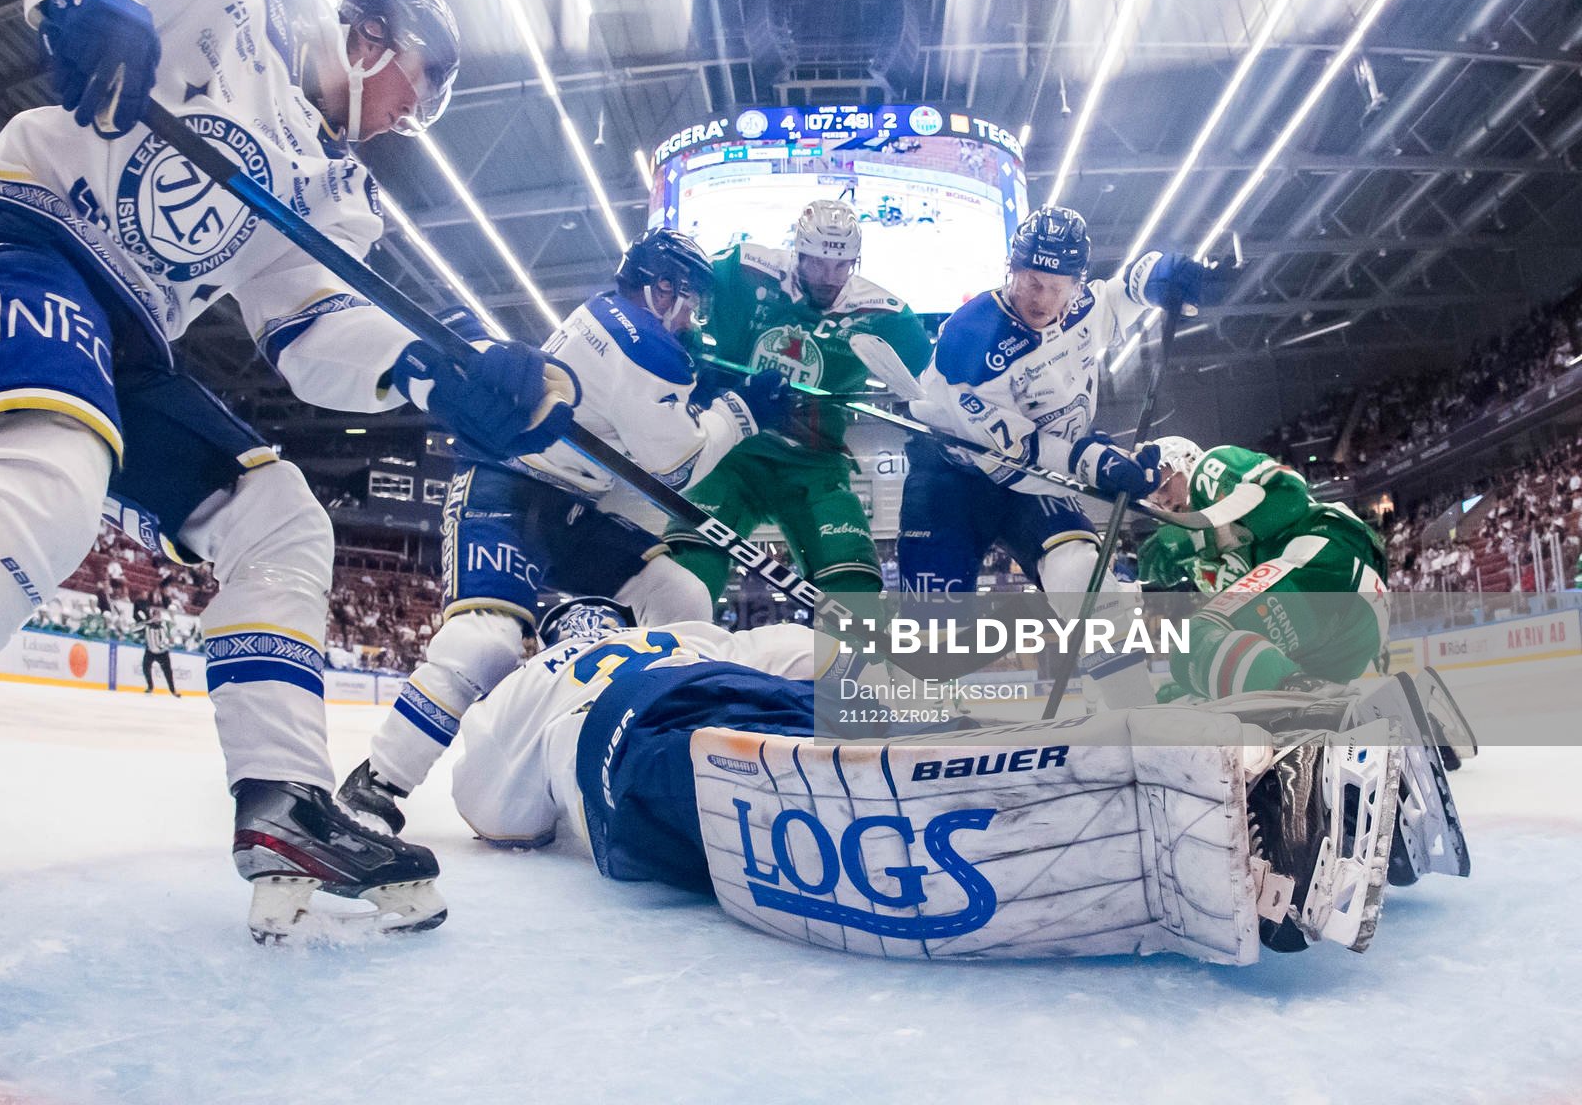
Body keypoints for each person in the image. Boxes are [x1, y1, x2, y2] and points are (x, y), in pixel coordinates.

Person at [0, 0, 573, 1009]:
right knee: (50, 478)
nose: (409, 117)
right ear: (372, 36)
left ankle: (285, 803)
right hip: (28, 237)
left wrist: (436, 371)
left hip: (135, 333)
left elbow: (316, 332)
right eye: (417, 87)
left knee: (283, 519)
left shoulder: (331, 191)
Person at [448, 598, 1458, 962]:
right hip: (743, 683)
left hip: (623, 744)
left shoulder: (546, 676)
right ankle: (1276, 738)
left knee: (781, 800)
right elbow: (813, 661)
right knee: (909, 745)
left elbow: (491, 804)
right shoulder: (692, 629)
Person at [336, 230, 792, 835]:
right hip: (504, 488)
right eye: (691, 300)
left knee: (679, 595)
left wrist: (702, 388)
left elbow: (629, 408)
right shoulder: (649, 347)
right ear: (662, 289)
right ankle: (376, 782)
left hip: (572, 507)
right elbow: (677, 464)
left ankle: (658, 727)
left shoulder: (614, 318)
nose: (695, 316)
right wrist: (740, 412)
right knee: (484, 645)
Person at [896, 205, 1208, 706]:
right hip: (953, 479)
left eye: (1056, 286)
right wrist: (1098, 462)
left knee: (1084, 576)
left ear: (1076, 283)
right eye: (1031, 281)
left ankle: (1135, 714)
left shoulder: (1083, 306)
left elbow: (1121, 294)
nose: (1041, 299)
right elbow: (1016, 452)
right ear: (1011, 269)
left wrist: (1161, 275)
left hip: (1038, 480)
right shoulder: (972, 340)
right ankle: (925, 718)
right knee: (931, 631)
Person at [664, 200, 931, 597]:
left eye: (842, 266)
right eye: (818, 263)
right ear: (798, 252)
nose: (829, 277)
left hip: (815, 463)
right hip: (732, 450)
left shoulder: (885, 314)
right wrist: (681, 341)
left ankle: (848, 640)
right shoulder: (743, 268)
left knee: (854, 581)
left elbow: (932, 377)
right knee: (688, 568)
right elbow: (679, 289)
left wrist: (934, 411)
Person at [1136, 437, 1392, 703]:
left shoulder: (1208, 470)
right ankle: (1321, 706)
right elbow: (1244, 632)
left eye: (1164, 485)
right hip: (1354, 629)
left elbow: (1287, 495)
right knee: (1203, 681)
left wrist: (1194, 536)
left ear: (1187, 463)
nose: (1164, 502)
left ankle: (1307, 695)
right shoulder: (1198, 561)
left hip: (1328, 558)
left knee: (1193, 642)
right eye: (1155, 501)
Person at [140, 597, 178, 696]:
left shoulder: (164, 624)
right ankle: (150, 687)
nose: (157, 618)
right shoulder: (147, 626)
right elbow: (133, 629)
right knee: (145, 668)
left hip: (163, 652)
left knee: (168, 672)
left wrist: (170, 640)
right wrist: (147, 622)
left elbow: (171, 633)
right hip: (150, 651)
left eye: (158, 615)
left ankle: (173, 690)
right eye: (155, 616)